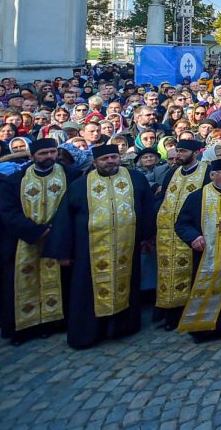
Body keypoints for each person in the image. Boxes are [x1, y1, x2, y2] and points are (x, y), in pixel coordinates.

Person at [45, 145, 156, 349]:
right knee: (87, 292)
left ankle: (122, 327)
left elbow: (147, 207)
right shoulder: (80, 185)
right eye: (105, 158)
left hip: (126, 246)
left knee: (126, 286)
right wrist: (63, 251)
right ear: (95, 162)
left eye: (114, 157)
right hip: (89, 251)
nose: (110, 161)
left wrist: (148, 236)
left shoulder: (135, 179)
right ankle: (90, 333)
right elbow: (64, 219)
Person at [0, 138, 75, 344]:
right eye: (43, 153)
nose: (49, 157)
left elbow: (74, 208)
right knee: (23, 283)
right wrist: (35, 231)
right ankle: (26, 328)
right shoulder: (15, 180)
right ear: (32, 156)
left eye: (52, 152)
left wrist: (56, 231)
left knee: (60, 282)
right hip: (24, 242)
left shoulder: (71, 175)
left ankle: (54, 323)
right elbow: (8, 212)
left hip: (59, 240)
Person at [175, 157, 221, 342]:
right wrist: (193, 237)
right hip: (204, 255)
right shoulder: (197, 197)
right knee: (204, 288)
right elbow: (182, 224)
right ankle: (201, 327)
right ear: (212, 175)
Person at [152, 139, 207, 330]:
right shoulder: (171, 173)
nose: (178, 155)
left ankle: (186, 315)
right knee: (168, 274)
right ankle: (168, 313)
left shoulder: (206, 172)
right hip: (167, 234)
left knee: (190, 275)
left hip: (192, 234)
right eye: (177, 151)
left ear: (195, 153)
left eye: (183, 151)